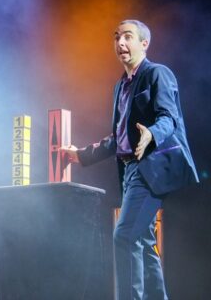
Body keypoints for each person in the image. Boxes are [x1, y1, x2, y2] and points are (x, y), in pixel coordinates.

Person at [60, 19, 199, 300]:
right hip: (130, 170)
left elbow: (169, 118)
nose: (120, 43)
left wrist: (152, 135)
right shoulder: (120, 86)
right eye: (116, 37)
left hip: (149, 168)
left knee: (124, 236)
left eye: (127, 37)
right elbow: (118, 137)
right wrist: (82, 155)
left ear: (144, 44)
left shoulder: (157, 74)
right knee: (143, 242)